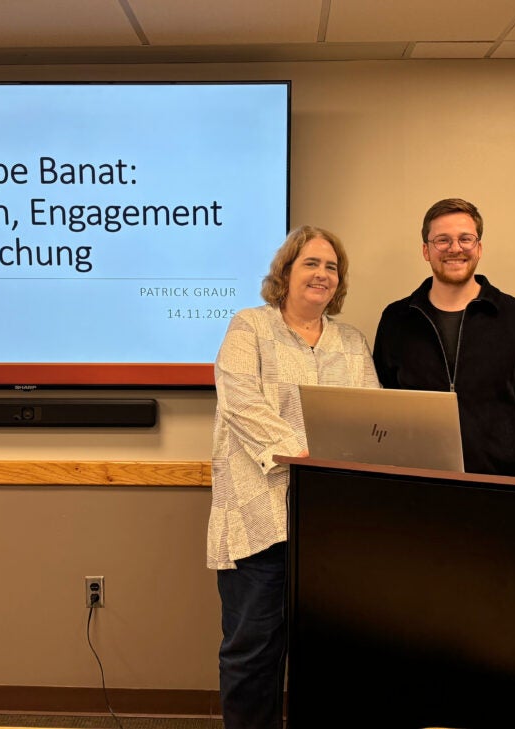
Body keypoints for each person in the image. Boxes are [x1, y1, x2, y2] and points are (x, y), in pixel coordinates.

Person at [207, 224, 379, 729]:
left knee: (328, 655)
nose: (322, 274)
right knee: (252, 654)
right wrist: (305, 455)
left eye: (331, 267)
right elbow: (240, 404)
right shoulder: (249, 327)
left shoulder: (351, 342)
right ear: (285, 273)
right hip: (260, 519)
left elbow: (370, 416)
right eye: (311, 263)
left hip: (330, 523)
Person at [373, 197, 515, 480]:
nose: (455, 249)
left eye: (466, 239)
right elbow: (381, 413)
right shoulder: (396, 319)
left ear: (479, 248)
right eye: (442, 240)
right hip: (415, 492)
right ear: (426, 250)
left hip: (501, 492)